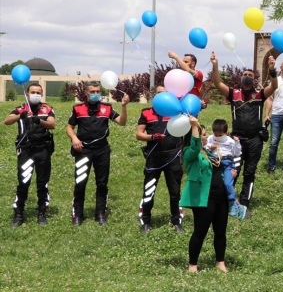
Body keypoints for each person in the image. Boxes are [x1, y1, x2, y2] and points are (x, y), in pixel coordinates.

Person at [211, 51, 277, 217]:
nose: (247, 76)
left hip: (255, 139)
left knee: (250, 172)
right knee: (233, 170)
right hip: (236, 140)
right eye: (245, 74)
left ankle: (244, 203)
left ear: (254, 79)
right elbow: (217, 82)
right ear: (240, 78)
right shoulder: (233, 93)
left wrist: (272, 69)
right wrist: (215, 64)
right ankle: (230, 202)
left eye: (250, 75)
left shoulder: (260, 94)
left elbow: (274, 86)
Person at [66, 81, 130, 225]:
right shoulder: (78, 109)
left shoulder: (107, 108)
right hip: (83, 150)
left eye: (98, 91)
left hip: (102, 150)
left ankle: (100, 213)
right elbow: (69, 127)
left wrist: (124, 107)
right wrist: (74, 138)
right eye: (93, 92)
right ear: (86, 93)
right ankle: (78, 214)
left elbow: (122, 122)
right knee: (80, 182)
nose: (96, 94)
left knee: (102, 183)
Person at [180, 117, 230, 273]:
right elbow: (195, 148)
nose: (206, 137)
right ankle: (192, 265)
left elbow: (222, 166)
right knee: (200, 231)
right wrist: (195, 127)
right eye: (204, 135)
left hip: (220, 196)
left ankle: (220, 262)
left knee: (220, 231)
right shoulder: (189, 153)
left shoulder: (210, 151)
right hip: (204, 198)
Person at [4, 83, 55, 227]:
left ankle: (41, 213)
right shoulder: (21, 108)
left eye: (38, 92)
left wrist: (39, 120)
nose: (35, 95)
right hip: (26, 151)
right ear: (27, 94)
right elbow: (6, 121)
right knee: (23, 182)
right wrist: (20, 115)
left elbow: (52, 124)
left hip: (43, 150)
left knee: (42, 183)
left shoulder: (47, 108)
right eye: (33, 92)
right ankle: (19, 214)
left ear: (42, 94)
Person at [136, 85, 184, 234]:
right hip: (154, 157)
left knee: (175, 191)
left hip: (173, 156)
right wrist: (152, 137)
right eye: (158, 94)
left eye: (165, 94)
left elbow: (190, 122)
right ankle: (146, 220)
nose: (162, 96)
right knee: (149, 190)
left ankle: (176, 220)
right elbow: (139, 134)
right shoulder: (146, 112)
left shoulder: (177, 112)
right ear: (154, 96)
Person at [205, 119, 246, 219]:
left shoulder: (230, 141)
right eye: (216, 135)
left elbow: (236, 153)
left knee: (228, 183)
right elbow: (205, 146)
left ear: (226, 133)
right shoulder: (211, 138)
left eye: (220, 135)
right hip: (214, 162)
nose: (218, 137)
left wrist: (237, 143)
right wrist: (211, 146)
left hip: (227, 163)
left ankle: (234, 203)